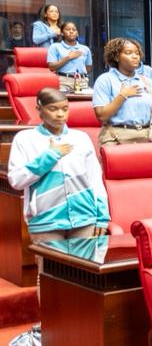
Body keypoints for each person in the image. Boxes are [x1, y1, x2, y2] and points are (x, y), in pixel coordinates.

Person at [7, 87, 110, 246]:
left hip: (85, 218)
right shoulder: (25, 139)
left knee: (85, 263)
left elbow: (95, 180)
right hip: (46, 220)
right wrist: (50, 156)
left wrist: (102, 216)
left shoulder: (81, 138)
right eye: (53, 109)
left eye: (65, 109)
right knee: (50, 264)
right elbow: (16, 181)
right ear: (39, 109)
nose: (60, 114)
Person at [92, 37, 152, 145]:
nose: (135, 56)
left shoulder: (147, 81)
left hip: (147, 136)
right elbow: (102, 116)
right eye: (129, 53)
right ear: (116, 57)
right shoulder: (105, 80)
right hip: (117, 136)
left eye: (137, 53)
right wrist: (123, 95)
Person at [46, 21, 92, 93]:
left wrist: (79, 75)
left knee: (83, 100)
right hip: (63, 81)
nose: (71, 31)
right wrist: (68, 57)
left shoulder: (85, 49)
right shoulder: (55, 47)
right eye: (67, 29)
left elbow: (88, 68)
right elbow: (51, 67)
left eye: (74, 30)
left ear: (77, 33)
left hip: (82, 82)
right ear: (62, 33)